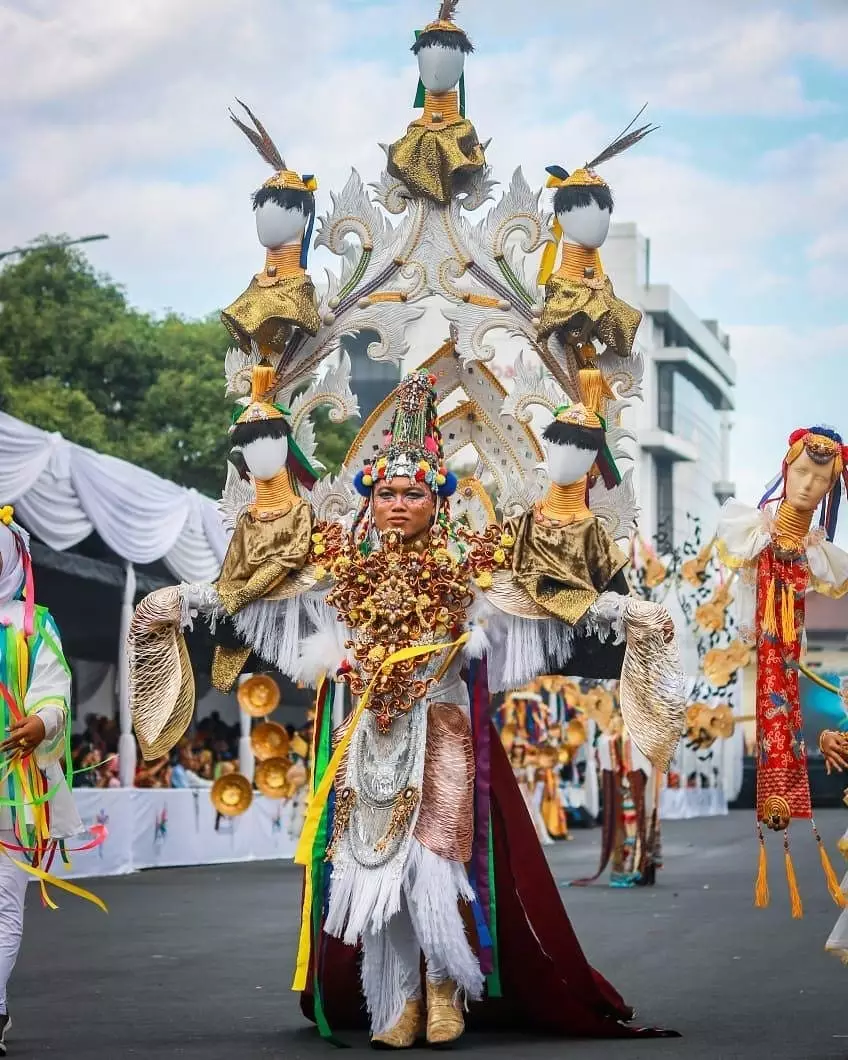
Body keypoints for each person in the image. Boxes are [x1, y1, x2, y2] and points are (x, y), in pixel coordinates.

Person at [131, 366, 685, 1048]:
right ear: (371, 495)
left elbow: (546, 600)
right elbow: (254, 595)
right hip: (367, 734)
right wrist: (177, 602)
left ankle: (446, 989)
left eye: (413, 492)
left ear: (437, 499)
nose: (399, 502)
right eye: (388, 491)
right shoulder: (336, 565)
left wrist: (630, 611)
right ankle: (392, 997)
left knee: (436, 863)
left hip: (444, 727)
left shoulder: (469, 565)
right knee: (374, 867)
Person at [716, 425, 848, 917]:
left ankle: (788, 792)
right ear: (786, 470)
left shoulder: (817, 550)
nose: (810, 485)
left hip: (788, 643)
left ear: (831, 490)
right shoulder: (754, 529)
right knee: (773, 686)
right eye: (803, 472)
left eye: (822, 479)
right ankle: (776, 792)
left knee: (784, 689)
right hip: (770, 636)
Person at [0, 508, 84, 1056]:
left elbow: (54, 688)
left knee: (5, 899)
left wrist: (43, 721)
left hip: (14, 788)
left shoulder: (32, 623)